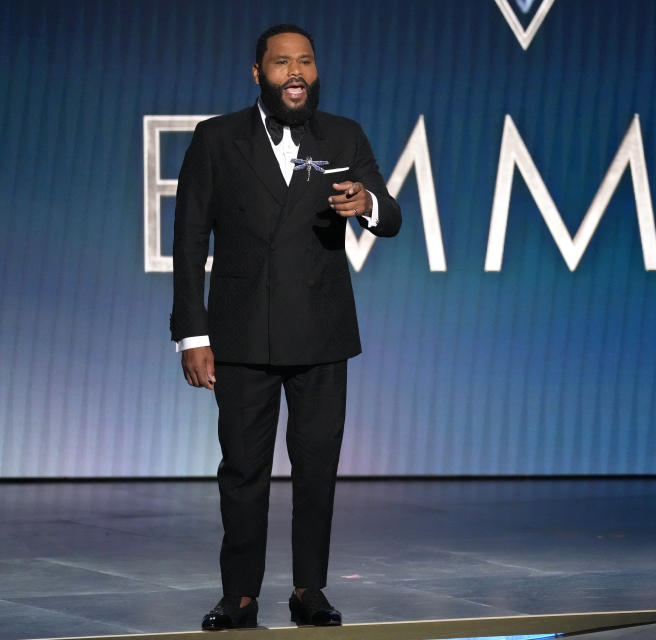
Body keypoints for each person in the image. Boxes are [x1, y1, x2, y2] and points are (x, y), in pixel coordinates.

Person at [170, 23, 400, 631]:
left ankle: (309, 591)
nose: (295, 72)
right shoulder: (216, 139)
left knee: (317, 466)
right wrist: (192, 334)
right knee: (242, 470)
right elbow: (190, 239)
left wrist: (367, 206)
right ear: (258, 73)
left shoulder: (343, 135)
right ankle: (240, 595)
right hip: (242, 335)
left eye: (305, 62)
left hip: (321, 333)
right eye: (281, 63)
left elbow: (390, 213)